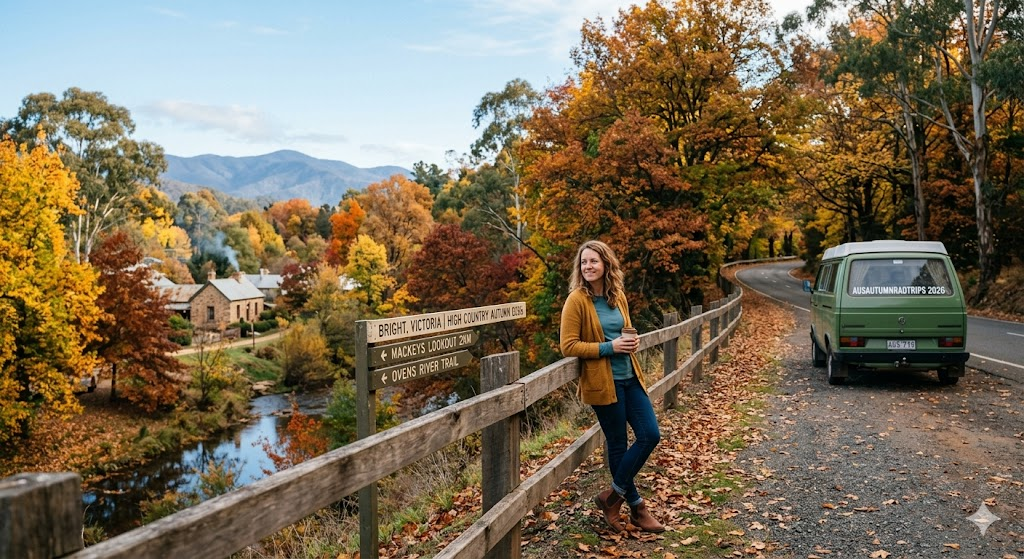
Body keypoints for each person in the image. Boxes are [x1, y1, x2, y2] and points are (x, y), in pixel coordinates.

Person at [559, 240, 665, 533]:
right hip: (603, 384)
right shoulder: (576, 300)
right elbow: (568, 345)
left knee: (649, 435)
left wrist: (632, 341)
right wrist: (610, 346)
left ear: (606, 264)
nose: (588, 267)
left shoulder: (617, 296)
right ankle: (638, 507)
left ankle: (612, 497)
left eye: (593, 261)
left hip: (631, 377)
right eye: (584, 262)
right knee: (617, 443)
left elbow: (625, 332)